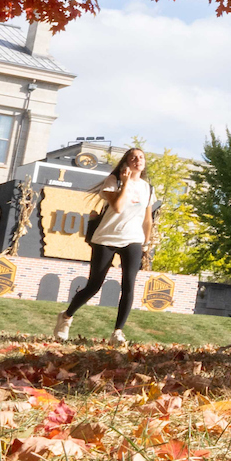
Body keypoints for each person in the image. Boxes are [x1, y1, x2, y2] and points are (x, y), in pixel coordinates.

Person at [51, 146, 156, 344]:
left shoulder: (147, 188)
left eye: (141, 157)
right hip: (107, 238)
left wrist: (145, 243)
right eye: (133, 157)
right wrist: (125, 183)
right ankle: (66, 317)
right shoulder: (113, 181)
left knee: (129, 286)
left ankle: (117, 332)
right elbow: (117, 207)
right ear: (126, 162)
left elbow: (147, 219)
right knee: (94, 285)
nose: (138, 160)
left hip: (133, 239)